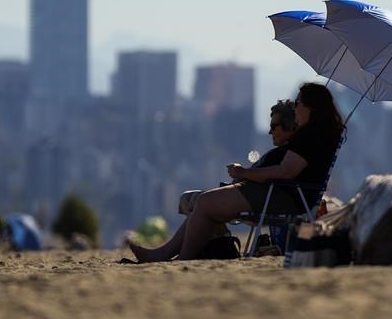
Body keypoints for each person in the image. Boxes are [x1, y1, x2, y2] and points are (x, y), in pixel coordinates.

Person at [129, 82, 344, 262]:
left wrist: (243, 174)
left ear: (311, 107)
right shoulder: (317, 135)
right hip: (281, 193)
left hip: (282, 196)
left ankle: (179, 258)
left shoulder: (310, 137)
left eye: (298, 103)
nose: (295, 107)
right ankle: (167, 254)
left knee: (204, 203)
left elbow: (286, 171)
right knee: (204, 204)